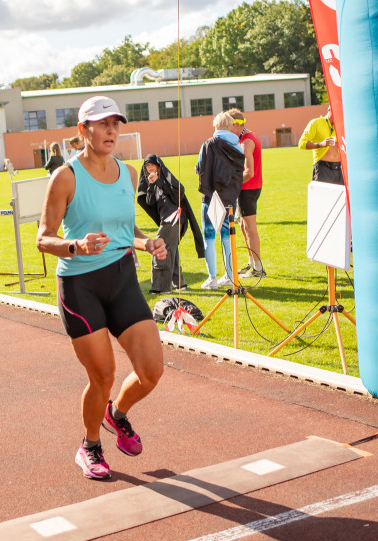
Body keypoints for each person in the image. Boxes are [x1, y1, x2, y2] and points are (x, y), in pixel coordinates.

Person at [36, 96, 167, 480]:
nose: (111, 130)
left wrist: (147, 243)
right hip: (80, 286)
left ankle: (117, 414)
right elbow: (44, 238)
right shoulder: (66, 177)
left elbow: (126, 229)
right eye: (101, 123)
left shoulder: (128, 174)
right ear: (83, 131)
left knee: (151, 371)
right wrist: (74, 246)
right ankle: (90, 446)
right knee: (103, 376)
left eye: (116, 123)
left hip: (122, 278)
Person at [136, 154, 204, 293]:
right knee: (172, 249)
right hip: (166, 219)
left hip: (173, 218)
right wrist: (150, 185)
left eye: (151, 165)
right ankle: (179, 283)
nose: (149, 168)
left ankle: (160, 288)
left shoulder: (166, 178)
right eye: (147, 166)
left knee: (160, 249)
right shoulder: (152, 181)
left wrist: (159, 182)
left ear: (158, 166)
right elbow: (149, 202)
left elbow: (179, 191)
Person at [196, 111, 245, 289]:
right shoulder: (238, 147)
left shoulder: (208, 144)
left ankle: (212, 279)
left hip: (211, 197)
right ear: (231, 126)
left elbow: (199, 168)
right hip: (230, 197)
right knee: (227, 237)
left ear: (216, 126)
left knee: (208, 237)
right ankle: (231, 276)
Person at [228, 108, 265, 278]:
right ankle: (252, 264)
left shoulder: (247, 141)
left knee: (250, 227)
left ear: (237, 125)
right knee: (244, 226)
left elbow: (249, 172)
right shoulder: (244, 137)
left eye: (229, 126)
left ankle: (258, 269)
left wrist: (232, 184)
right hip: (247, 188)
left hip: (248, 188)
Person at [299, 105, 343, 184]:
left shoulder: (340, 126)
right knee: (323, 196)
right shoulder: (316, 123)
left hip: (339, 170)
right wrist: (321, 144)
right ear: (330, 111)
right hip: (323, 168)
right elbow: (301, 143)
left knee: (341, 196)